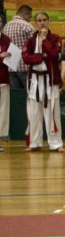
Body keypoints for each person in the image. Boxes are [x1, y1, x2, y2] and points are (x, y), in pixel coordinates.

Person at [22, 11, 64, 152]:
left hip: (50, 80)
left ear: (49, 21)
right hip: (34, 80)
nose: (42, 23)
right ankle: (35, 143)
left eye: (45, 19)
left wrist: (45, 40)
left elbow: (53, 54)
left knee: (52, 113)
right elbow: (26, 58)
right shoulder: (30, 40)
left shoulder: (56, 38)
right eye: (39, 20)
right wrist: (41, 56)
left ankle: (56, 143)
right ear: (35, 22)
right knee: (34, 113)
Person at [3, 5, 33, 90]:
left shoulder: (6, 26)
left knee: (16, 97)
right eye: (29, 16)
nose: (29, 19)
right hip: (25, 65)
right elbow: (34, 45)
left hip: (10, 65)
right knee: (29, 94)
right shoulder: (27, 26)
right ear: (25, 14)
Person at [0, 15, 12, 145]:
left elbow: (11, 58)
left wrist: (11, 58)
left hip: (3, 78)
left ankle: (1, 137)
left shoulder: (7, 40)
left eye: (0, 21)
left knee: (3, 110)